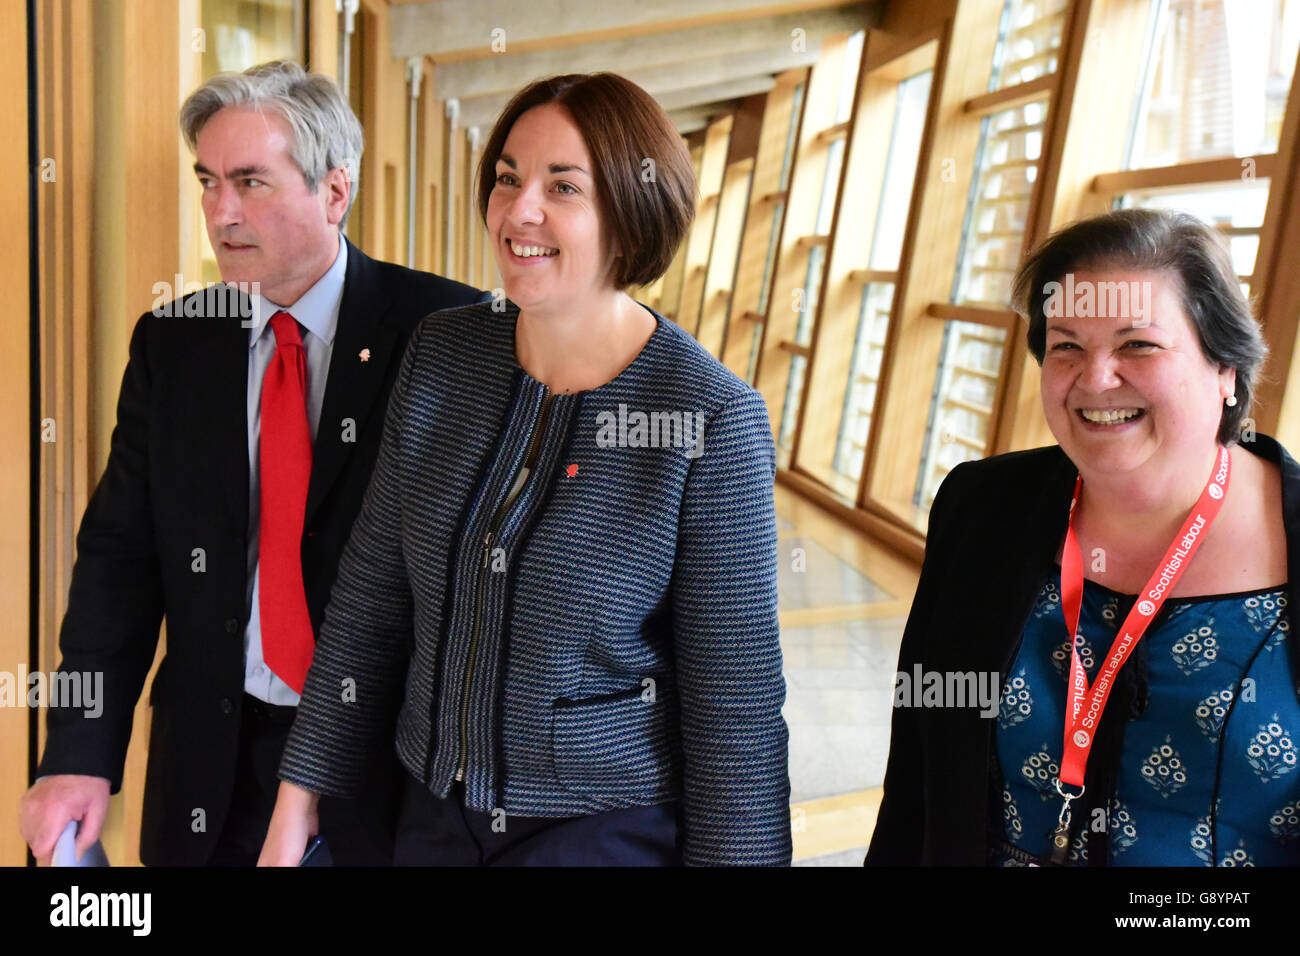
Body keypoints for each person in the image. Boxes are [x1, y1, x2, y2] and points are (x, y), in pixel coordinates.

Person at [258, 72, 792, 867]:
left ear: (630, 217)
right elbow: (372, 596)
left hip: (599, 829)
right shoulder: (443, 353)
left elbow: (735, 711)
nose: (519, 211)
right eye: (508, 177)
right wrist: (298, 796)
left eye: (562, 187)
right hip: (430, 816)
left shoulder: (709, 420)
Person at [18, 60, 487, 867]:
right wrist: (77, 752)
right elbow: (117, 566)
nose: (220, 212)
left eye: (249, 182)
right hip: (212, 768)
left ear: (335, 193)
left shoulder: (447, 333)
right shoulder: (174, 344)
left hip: (382, 777)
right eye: (207, 182)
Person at [866, 208, 1298, 866]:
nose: (1095, 380)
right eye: (1066, 345)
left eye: (1138, 345)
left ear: (1226, 369)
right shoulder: (983, 509)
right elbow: (918, 782)